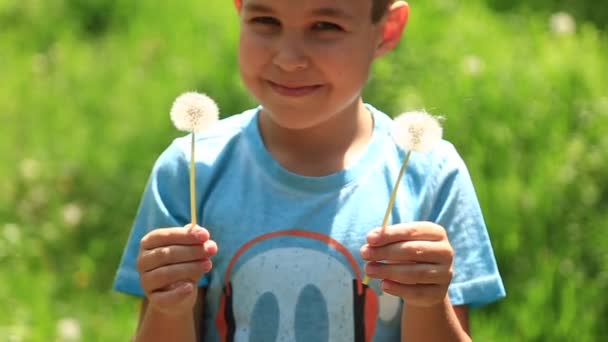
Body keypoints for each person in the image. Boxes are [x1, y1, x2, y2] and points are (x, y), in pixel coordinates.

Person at [113, 0, 506, 341]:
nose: (288, 57)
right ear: (239, 10)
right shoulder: (190, 172)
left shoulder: (431, 176)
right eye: (265, 21)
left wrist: (428, 301)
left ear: (385, 30)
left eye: (325, 26)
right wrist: (169, 307)